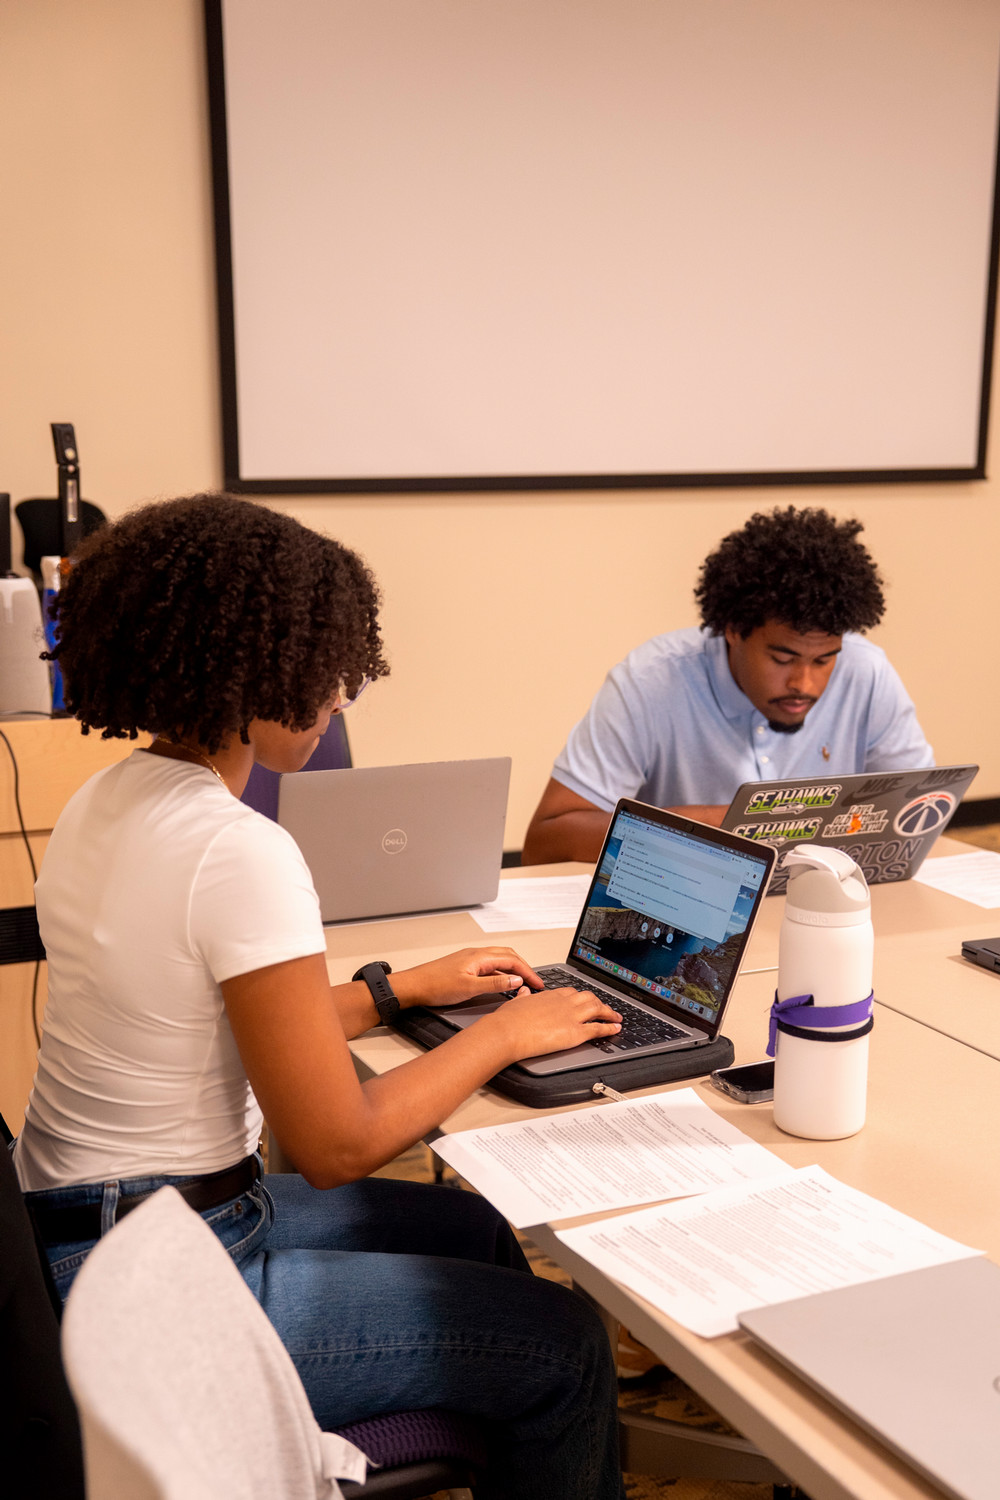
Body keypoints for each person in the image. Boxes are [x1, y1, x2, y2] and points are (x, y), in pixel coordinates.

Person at [13, 494, 626, 1500]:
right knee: (563, 1347)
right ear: (246, 672)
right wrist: (507, 1031)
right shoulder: (238, 849)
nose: (340, 693)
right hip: (167, 1281)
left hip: (83, 1235)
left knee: (474, 1233)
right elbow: (337, 1145)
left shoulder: (112, 799)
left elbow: (203, 1016)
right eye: (320, 667)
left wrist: (396, 994)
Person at [523, 505, 932, 865]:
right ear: (734, 631)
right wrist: (717, 825)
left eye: (824, 660)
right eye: (782, 658)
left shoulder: (867, 671)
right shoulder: (651, 680)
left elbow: (919, 810)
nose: (804, 683)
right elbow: (545, 842)